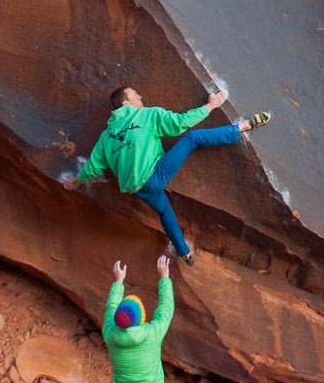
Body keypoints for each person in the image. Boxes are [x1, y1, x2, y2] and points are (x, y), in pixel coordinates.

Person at [63, 85, 270, 265]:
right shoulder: (146, 115)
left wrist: (75, 181)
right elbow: (180, 122)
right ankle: (243, 127)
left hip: (138, 189)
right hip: (155, 175)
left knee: (165, 213)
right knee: (193, 138)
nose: (140, 97)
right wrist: (210, 106)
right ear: (126, 102)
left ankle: (184, 253)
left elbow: (92, 168)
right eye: (135, 95)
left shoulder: (106, 137)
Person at [104, 255, 174, 383]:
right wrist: (164, 278)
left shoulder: (110, 334)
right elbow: (165, 310)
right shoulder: (152, 334)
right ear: (142, 317)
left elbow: (110, 309)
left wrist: (118, 282)